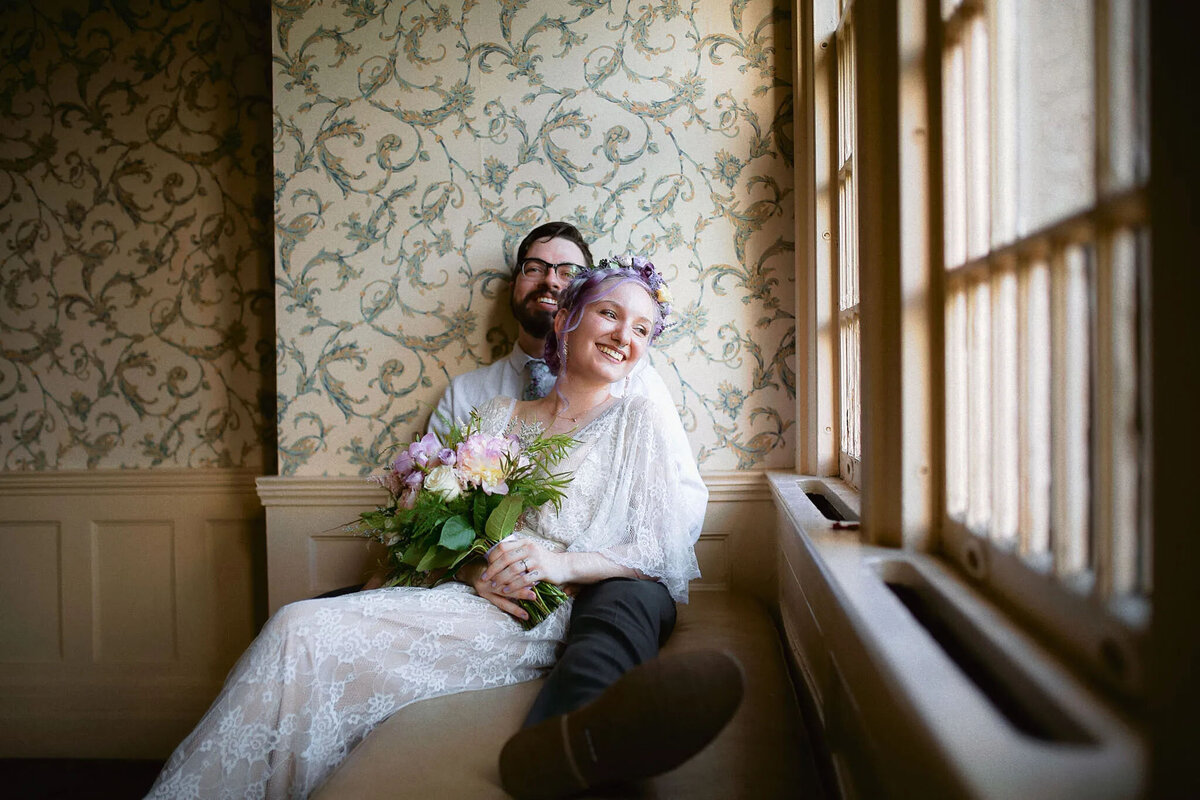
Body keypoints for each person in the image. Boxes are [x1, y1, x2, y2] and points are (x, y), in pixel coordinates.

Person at [145, 258, 739, 799]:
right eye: (609, 314)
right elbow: (446, 523)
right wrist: (479, 570)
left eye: (641, 329)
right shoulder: (498, 418)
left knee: (303, 630)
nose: (622, 336)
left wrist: (562, 564)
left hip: (550, 607)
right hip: (479, 597)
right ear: (566, 321)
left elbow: (664, 542)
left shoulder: (641, 414)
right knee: (297, 626)